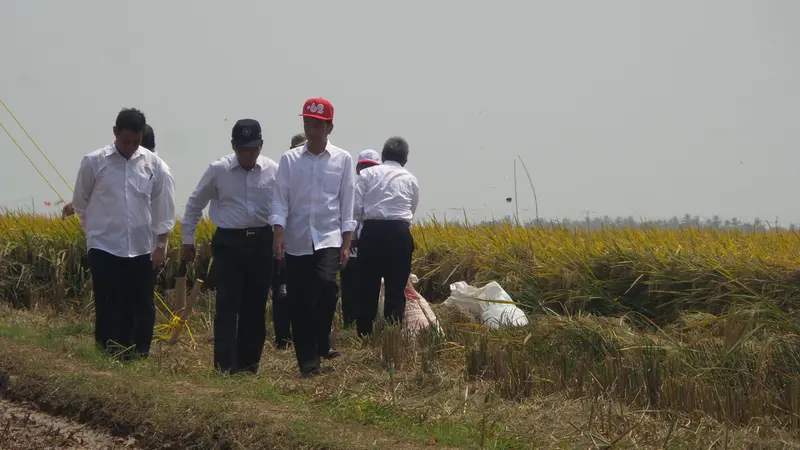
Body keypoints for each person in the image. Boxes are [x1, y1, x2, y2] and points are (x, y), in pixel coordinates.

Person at [71, 108, 176, 359]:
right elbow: (80, 202)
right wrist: (96, 232)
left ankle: (137, 356)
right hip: (105, 245)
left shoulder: (154, 165)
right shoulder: (94, 162)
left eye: (136, 142)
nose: (130, 147)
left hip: (140, 247)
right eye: (125, 140)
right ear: (115, 133)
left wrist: (161, 245)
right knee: (109, 303)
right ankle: (107, 354)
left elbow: (162, 209)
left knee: (141, 306)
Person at [181, 119, 278, 375]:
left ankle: (249, 366)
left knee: (255, 306)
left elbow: (284, 208)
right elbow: (194, 204)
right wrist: (187, 239)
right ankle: (224, 366)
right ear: (234, 147)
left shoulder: (274, 171)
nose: (248, 155)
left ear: (261, 146)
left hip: (261, 241)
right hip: (229, 243)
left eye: (253, 149)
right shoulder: (218, 170)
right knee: (228, 304)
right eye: (243, 149)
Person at [271, 98, 356, 377]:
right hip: (297, 239)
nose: (311, 129)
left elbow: (347, 202)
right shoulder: (290, 160)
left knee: (326, 287)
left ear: (329, 127)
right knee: (299, 300)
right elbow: (280, 198)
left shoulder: (343, 160)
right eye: (307, 122)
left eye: (317, 124)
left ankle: (322, 337)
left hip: (329, 237)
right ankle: (308, 362)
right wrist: (279, 232)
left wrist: (346, 242)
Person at [354, 137, 419, 337]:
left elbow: (356, 209)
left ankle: (364, 335)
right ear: (405, 159)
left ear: (382, 156)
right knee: (396, 288)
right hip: (399, 234)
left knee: (367, 288)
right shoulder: (410, 179)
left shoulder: (367, 174)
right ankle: (391, 336)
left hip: (372, 233)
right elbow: (412, 209)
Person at [270, 132, 307, 350]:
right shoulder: (282, 172)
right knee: (282, 290)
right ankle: (283, 337)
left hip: (307, 243)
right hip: (285, 240)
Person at [339, 149, 381, 328]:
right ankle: (349, 322)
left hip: (367, 244)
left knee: (367, 287)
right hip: (351, 244)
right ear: (357, 167)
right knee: (348, 284)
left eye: (370, 166)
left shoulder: (380, 191)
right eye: (363, 166)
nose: (366, 170)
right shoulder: (350, 187)